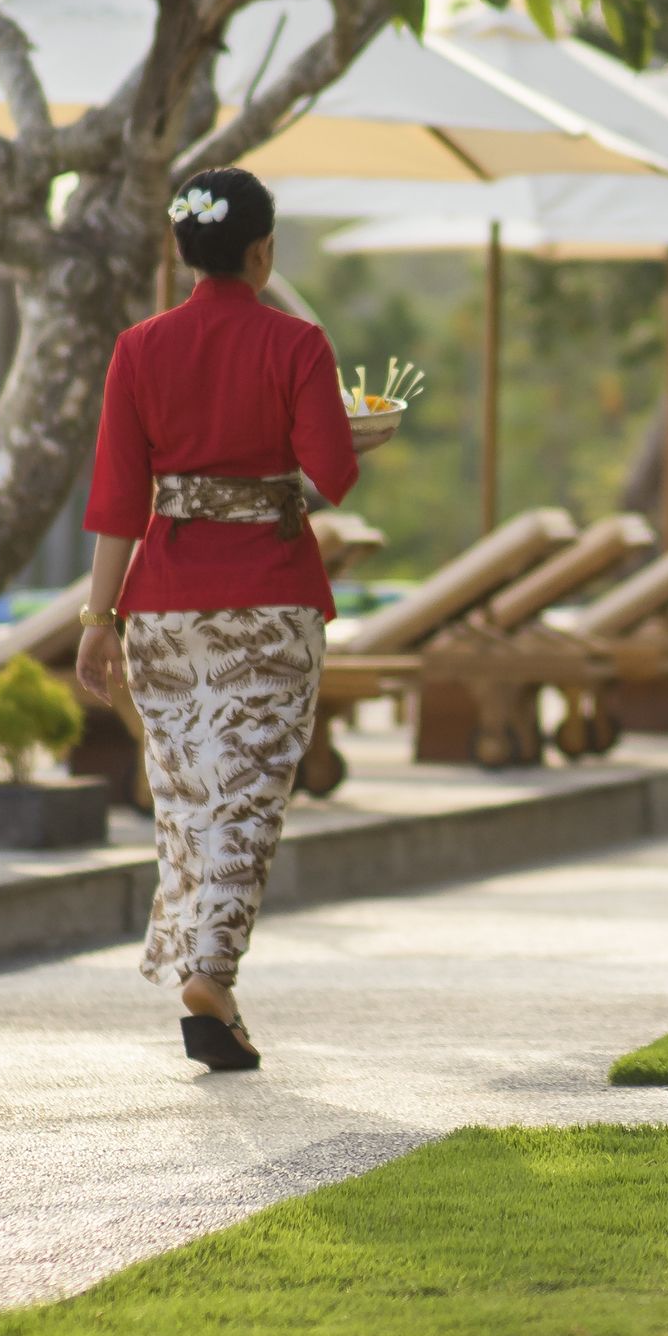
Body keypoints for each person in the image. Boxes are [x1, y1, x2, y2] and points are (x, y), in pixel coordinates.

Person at [71, 166, 398, 1073]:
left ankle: (206, 975)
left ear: (185, 253)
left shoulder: (138, 348)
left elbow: (118, 500)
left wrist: (98, 619)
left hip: (163, 605)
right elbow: (331, 474)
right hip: (270, 602)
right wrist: (348, 427)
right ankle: (211, 971)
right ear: (263, 252)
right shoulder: (298, 343)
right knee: (248, 797)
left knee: (186, 798)